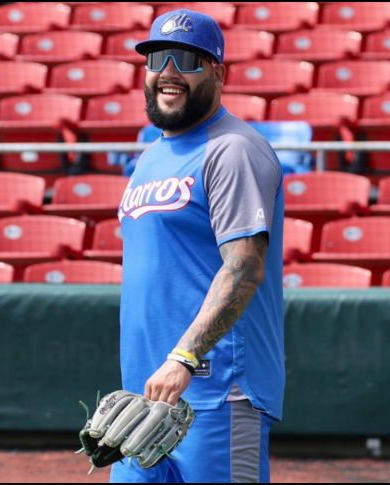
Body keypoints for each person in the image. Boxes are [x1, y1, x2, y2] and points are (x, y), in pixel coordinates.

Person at [113, 9, 285, 483]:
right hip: (146, 398)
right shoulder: (150, 156)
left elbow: (245, 268)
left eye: (187, 59)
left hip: (218, 394)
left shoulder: (234, 150)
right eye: (157, 58)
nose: (167, 72)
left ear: (218, 72)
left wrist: (183, 358)